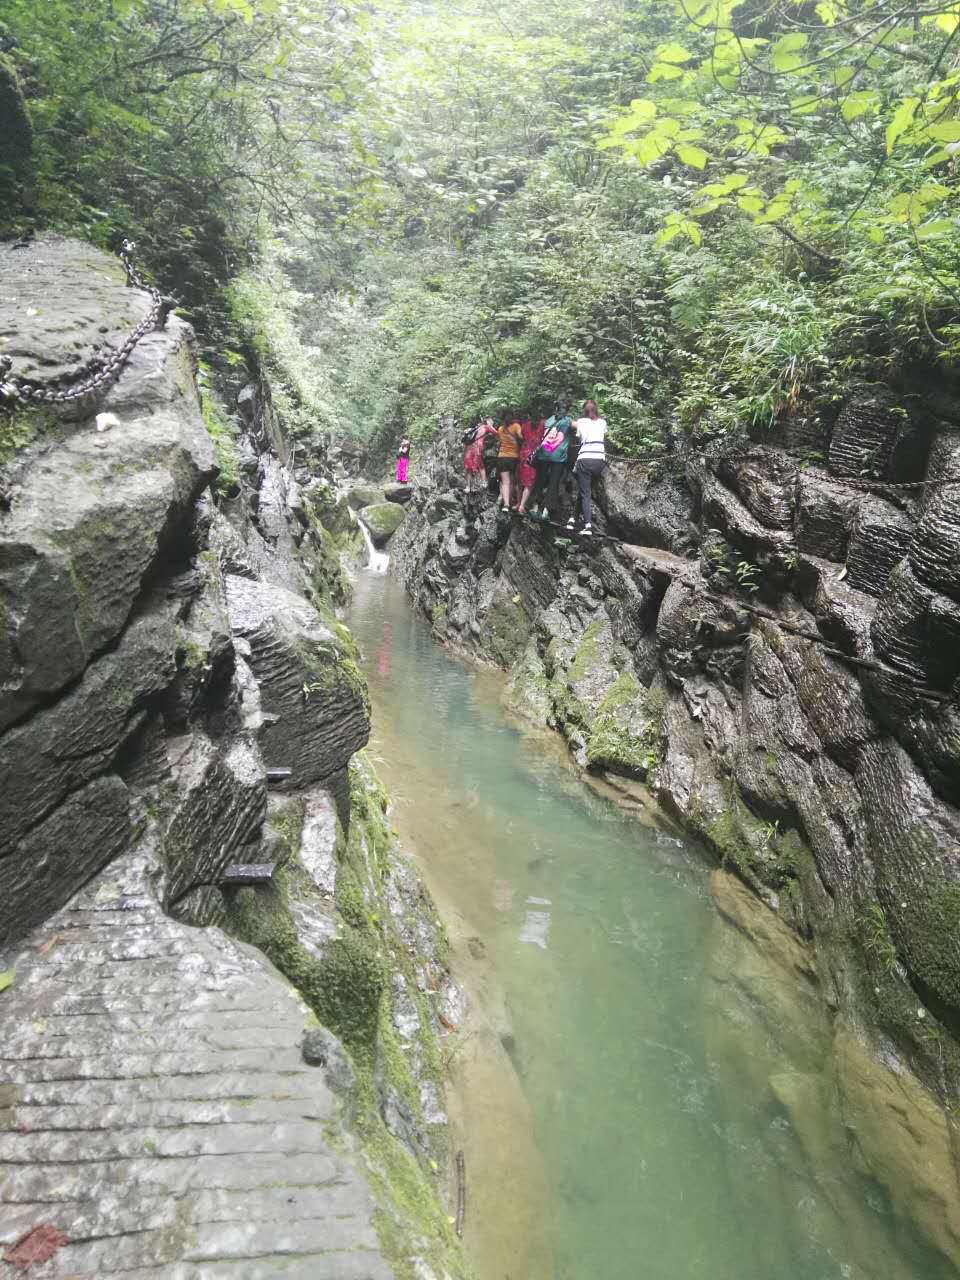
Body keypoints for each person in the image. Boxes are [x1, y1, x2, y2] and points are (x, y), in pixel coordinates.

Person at [528, 400, 573, 523]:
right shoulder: (568, 421)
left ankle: (534, 507)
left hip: (543, 455)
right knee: (553, 484)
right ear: (567, 410)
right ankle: (545, 512)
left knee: (539, 482)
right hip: (558, 458)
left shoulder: (548, 420)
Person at [567, 399, 607, 535]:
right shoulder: (603, 422)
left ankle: (588, 525)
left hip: (585, 461)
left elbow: (570, 424)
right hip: (599, 462)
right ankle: (573, 519)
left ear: (584, 410)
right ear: (596, 409)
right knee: (584, 489)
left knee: (585, 493)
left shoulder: (581, 422)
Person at [463, 416, 497, 515]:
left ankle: (468, 487)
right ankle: (483, 483)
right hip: (478, 448)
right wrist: (491, 427)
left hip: (469, 449)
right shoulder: (486, 427)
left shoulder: (473, 429)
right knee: (481, 465)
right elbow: (496, 433)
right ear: (488, 421)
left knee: (468, 468)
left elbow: (465, 440)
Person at [494, 410, 523, 511]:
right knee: (512, 482)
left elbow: (499, 441)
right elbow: (521, 436)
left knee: (505, 482)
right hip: (513, 457)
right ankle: (510, 503)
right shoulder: (516, 426)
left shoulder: (500, 429)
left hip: (502, 457)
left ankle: (506, 504)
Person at [516, 411, 543, 515]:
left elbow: (520, 436)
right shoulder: (542, 425)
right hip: (534, 456)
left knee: (520, 481)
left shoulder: (525, 426)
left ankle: (518, 503)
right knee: (529, 484)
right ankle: (522, 506)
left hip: (523, 454)